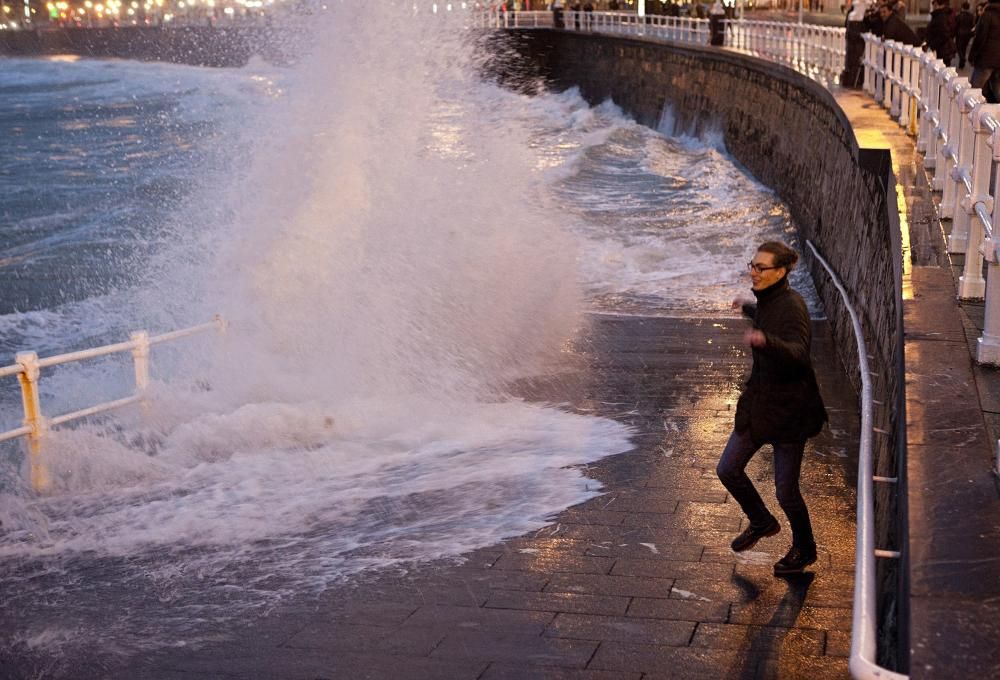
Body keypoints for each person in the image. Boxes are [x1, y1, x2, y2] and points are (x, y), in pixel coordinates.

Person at [716, 242, 828, 576]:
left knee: (786, 490)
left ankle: (804, 549)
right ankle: (762, 521)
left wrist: (766, 341)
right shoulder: (768, 299)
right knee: (728, 469)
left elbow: (799, 352)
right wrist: (748, 308)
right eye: (753, 264)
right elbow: (767, 314)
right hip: (760, 405)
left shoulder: (792, 305)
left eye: (761, 267)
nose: (754, 271)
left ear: (780, 272)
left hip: (790, 412)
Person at [969, 0, 1000, 101]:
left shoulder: (987, 15)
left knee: (974, 90)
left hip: (986, 59)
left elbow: (980, 38)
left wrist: (972, 55)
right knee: (997, 90)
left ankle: (971, 116)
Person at [926, 0, 958, 64]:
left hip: (942, 50)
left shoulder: (941, 16)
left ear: (937, 3)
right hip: (943, 49)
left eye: (933, 3)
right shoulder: (943, 14)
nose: (933, 5)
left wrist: (932, 45)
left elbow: (944, 34)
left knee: (941, 70)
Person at [957, 1, 977, 69]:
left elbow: (957, 25)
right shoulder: (971, 16)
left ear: (962, 7)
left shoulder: (960, 15)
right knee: (964, 48)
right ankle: (961, 63)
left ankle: (962, 59)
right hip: (968, 34)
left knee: (959, 48)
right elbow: (973, 25)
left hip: (960, 34)